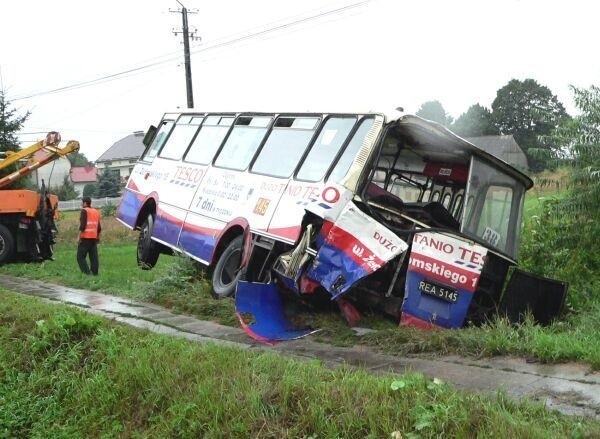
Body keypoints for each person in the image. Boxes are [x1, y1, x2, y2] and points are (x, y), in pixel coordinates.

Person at [77, 197, 101, 275]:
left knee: (80, 257)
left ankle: (87, 273)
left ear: (85, 203)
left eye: (82, 202)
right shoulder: (96, 211)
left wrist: (79, 237)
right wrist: (97, 238)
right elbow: (99, 228)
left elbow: (83, 226)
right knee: (94, 258)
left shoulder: (84, 211)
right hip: (93, 238)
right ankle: (94, 273)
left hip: (85, 238)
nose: (81, 204)